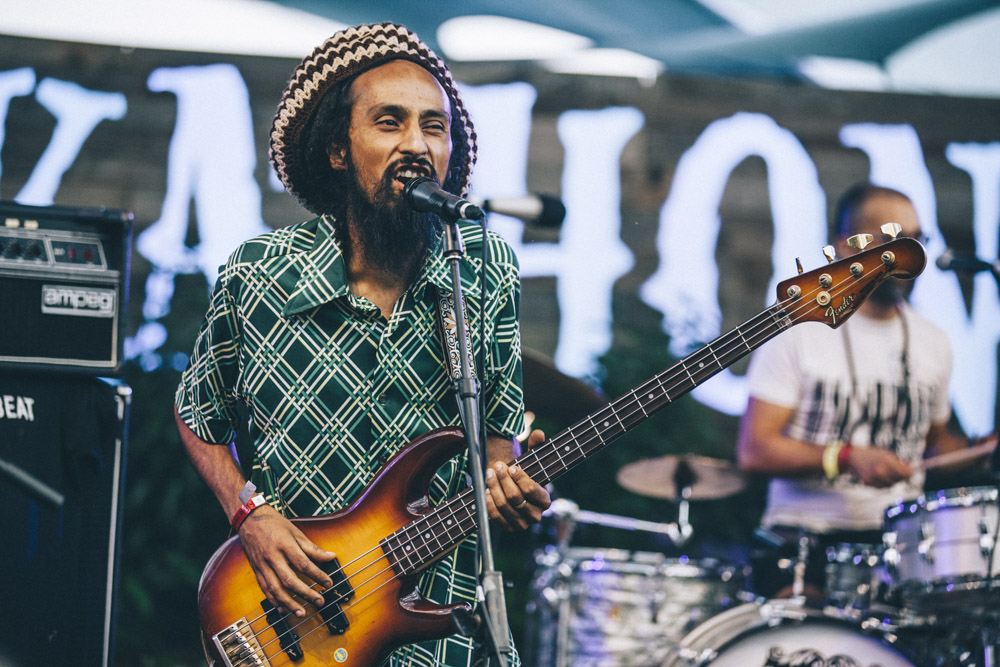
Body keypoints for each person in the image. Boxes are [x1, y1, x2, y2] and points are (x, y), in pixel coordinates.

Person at [173, 22, 550, 666]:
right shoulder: (260, 274)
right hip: (296, 624)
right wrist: (251, 517)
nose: (416, 144)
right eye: (389, 122)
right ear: (338, 151)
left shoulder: (484, 268)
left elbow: (495, 446)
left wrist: (509, 487)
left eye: (434, 127)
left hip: (443, 633)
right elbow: (197, 413)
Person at [736, 182, 995, 601]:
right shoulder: (801, 330)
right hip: (804, 539)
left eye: (918, 239)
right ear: (847, 246)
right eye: (895, 240)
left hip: (901, 543)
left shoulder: (934, 342)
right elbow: (754, 450)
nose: (912, 255)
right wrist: (846, 458)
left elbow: (933, 446)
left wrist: (981, 450)